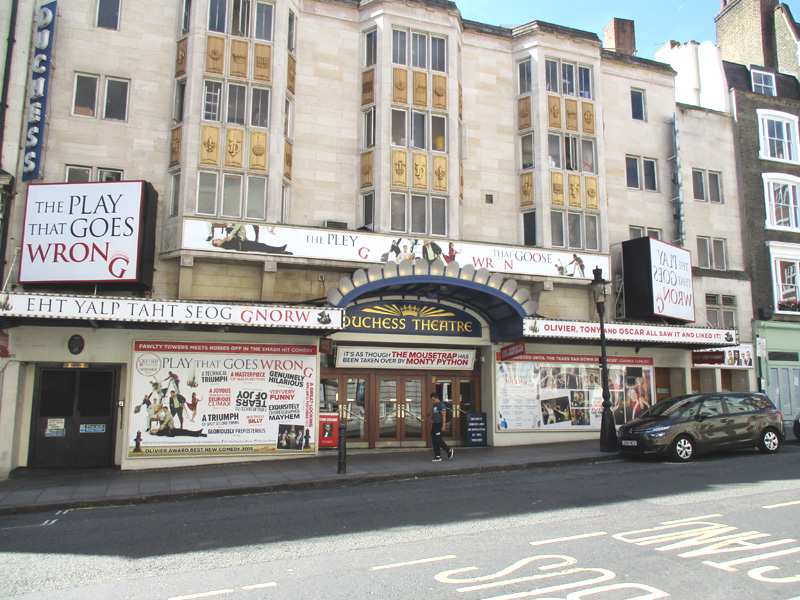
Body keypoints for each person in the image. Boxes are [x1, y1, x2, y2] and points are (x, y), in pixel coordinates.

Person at [428, 392, 453, 462]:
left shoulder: (441, 405)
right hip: (435, 424)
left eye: (433, 400)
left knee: (438, 440)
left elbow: (443, 416)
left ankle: (448, 449)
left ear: (436, 398)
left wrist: (443, 425)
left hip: (440, 424)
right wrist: (430, 417)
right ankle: (437, 456)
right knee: (434, 440)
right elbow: (434, 415)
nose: (432, 401)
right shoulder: (434, 406)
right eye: (431, 400)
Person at [212, 237, 292, 255]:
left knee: (263, 246)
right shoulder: (225, 244)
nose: (218, 239)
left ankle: (280, 250)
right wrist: (231, 238)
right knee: (263, 248)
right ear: (217, 245)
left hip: (245, 244)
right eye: (216, 241)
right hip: (245, 246)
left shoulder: (225, 241)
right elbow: (235, 243)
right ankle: (281, 251)